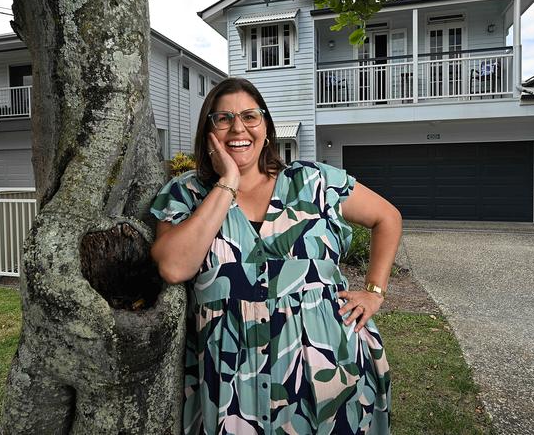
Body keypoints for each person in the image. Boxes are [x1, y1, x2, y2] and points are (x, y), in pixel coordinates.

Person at [150, 77, 402, 434]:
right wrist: (228, 182)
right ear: (209, 131)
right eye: (223, 118)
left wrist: (374, 292)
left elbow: (387, 217)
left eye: (250, 116)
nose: (238, 127)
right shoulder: (187, 194)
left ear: (266, 127)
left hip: (330, 372)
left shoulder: (314, 182)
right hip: (232, 386)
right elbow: (175, 267)